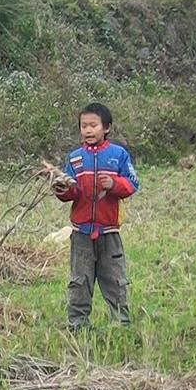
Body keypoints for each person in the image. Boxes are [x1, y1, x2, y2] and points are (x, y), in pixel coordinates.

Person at [53, 102, 140, 332]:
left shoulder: (118, 155)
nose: (88, 130)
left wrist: (114, 184)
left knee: (115, 280)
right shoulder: (75, 159)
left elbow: (132, 184)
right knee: (79, 281)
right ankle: (78, 325)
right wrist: (62, 189)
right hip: (81, 233)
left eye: (93, 125)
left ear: (106, 128)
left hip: (109, 232)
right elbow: (71, 193)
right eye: (84, 126)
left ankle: (121, 325)